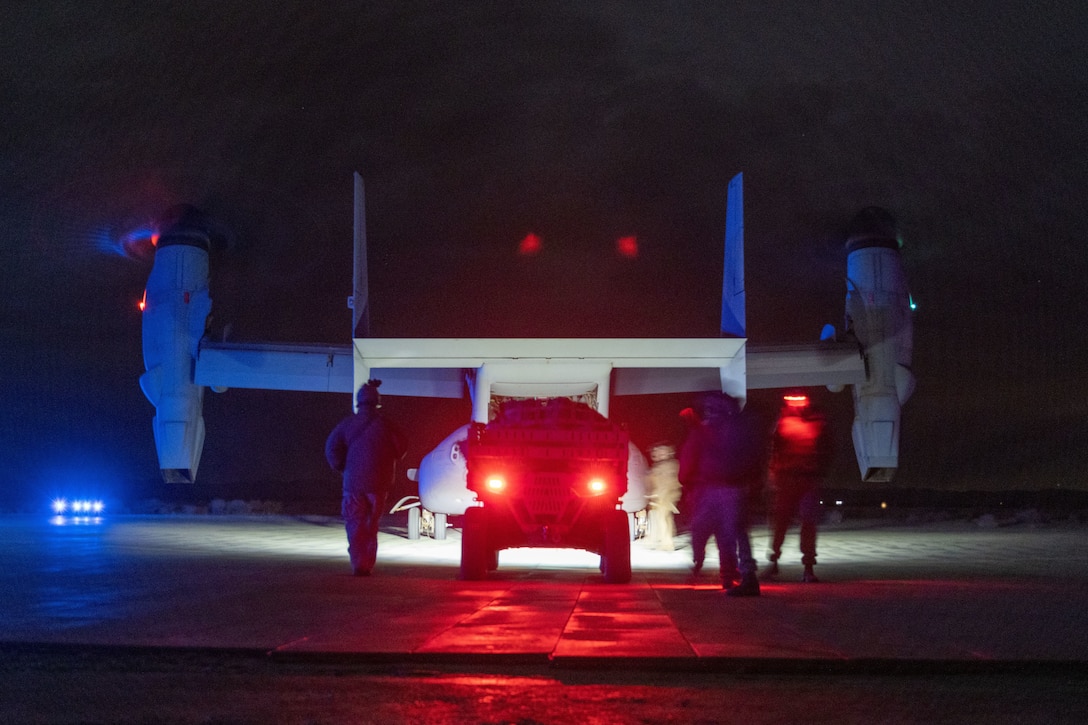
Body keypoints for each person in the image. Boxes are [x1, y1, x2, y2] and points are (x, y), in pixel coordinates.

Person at [679, 392, 766, 596]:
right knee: (734, 532)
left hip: (712, 488)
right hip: (735, 487)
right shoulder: (739, 429)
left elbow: (690, 460)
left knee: (710, 530)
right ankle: (736, 576)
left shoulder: (706, 430)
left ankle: (716, 570)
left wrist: (688, 484)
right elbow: (753, 457)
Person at [325, 379, 407, 576]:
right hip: (379, 485)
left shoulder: (347, 424)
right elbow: (401, 448)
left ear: (358, 402)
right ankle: (367, 564)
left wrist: (342, 467)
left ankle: (358, 564)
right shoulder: (387, 425)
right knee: (371, 524)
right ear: (377, 402)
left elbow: (331, 448)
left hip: (352, 483)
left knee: (355, 524)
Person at [765, 392, 832, 583]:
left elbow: (826, 449)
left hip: (804, 479)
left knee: (803, 523)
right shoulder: (785, 423)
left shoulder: (812, 422)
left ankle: (806, 567)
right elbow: (774, 449)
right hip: (789, 479)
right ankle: (778, 562)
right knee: (783, 523)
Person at [646, 443, 682, 551]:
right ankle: (666, 540)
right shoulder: (661, 465)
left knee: (663, 517)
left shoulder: (670, 465)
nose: (658, 453)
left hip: (666, 495)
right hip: (662, 495)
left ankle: (667, 543)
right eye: (656, 450)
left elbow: (671, 482)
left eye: (662, 450)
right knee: (665, 517)